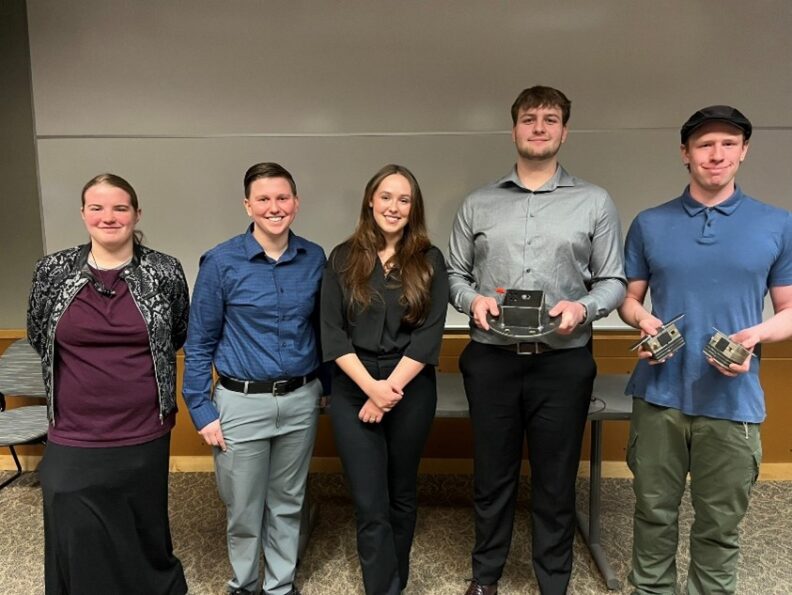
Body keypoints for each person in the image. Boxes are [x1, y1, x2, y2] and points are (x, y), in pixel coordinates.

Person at [448, 86, 626, 595]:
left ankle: (553, 582)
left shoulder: (594, 201)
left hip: (562, 361)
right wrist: (472, 301)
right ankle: (485, 578)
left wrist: (583, 308)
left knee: (555, 479)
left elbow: (613, 280)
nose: (540, 127)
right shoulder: (478, 203)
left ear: (565, 132)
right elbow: (455, 274)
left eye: (551, 119)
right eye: (529, 118)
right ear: (514, 130)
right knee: (492, 476)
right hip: (492, 359)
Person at [618, 105, 792, 594]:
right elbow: (629, 300)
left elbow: (788, 310)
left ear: (743, 152)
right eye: (705, 145)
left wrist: (756, 336)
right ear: (685, 153)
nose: (717, 155)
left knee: (719, 525)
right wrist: (642, 320)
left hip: (733, 402)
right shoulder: (650, 223)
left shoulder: (777, 224)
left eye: (728, 144)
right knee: (653, 514)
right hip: (659, 396)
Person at [26, 173, 189, 595]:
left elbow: (176, 334)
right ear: (83, 214)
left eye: (120, 207)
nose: (108, 217)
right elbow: (39, 334)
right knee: (72, 521)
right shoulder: (53, 271)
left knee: (140, 526)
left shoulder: (164, 271)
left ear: (137, 214)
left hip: (143, 427)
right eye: (96, 208)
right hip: (73, 428)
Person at [182, 162, 324, 595]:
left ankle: (280, 586)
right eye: (263, 199)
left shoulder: (314, 258)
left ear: (296, 203)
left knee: (288, 502)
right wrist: (201, 408)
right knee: (243, 508)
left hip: (300, 399)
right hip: (240, 404)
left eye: (282, 198)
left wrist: (328, 388)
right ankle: (244, 585)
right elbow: (199, 341)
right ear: (248, 205)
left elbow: (323, 329)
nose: (274, 207)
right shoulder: (220, 262)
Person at [320, 164, 448, 595]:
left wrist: (387, 392)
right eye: (386, 197)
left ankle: (397, 582)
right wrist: (371, 390)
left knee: (401, 494)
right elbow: (332, 334)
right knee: (370, 501)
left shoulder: (430, 260)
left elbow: (428, 337)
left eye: (404, 199)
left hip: (411, 387)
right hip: (353, 385)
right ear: (370, 202)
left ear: (414, 208)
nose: (394, 207)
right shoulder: (342, 258)